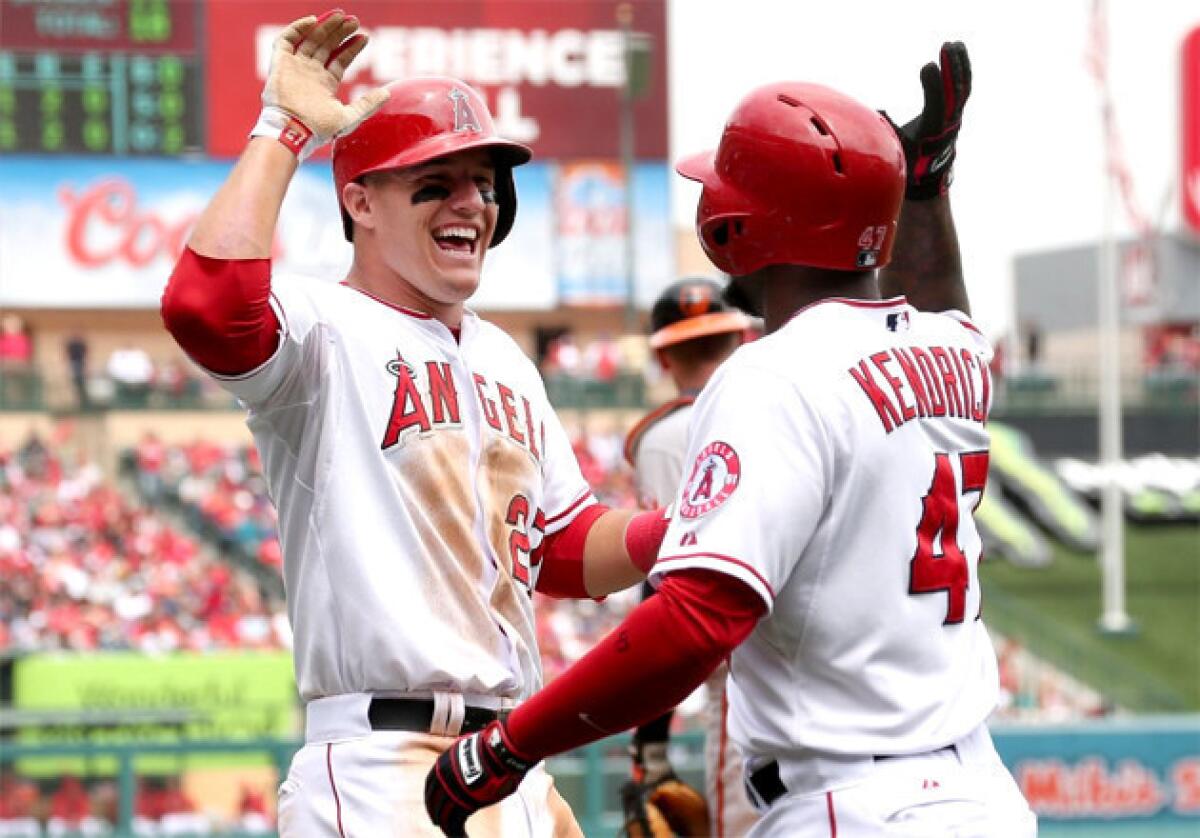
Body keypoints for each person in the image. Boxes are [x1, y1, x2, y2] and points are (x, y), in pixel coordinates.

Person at [425, 43, 1038, 837]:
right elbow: (941, 303)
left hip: (849, 803)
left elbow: (696, 621)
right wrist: (928, 188)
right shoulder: (952, 350)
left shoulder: (771, 376)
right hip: (982, 796)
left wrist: (509, 746)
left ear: (738, 225)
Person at [160, 10, 667, 836]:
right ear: (359, 201)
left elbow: (563, 548)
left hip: (512, 758)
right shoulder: (322, 327)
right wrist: (283, 129)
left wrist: (682, 530)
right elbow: (206, 307)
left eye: (484, 182)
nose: (472, 201)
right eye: (434, 182)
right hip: (380, 761)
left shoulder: (507, 358)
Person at [619, 277, 754, 837]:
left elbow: (673, 592)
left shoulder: (663, 438)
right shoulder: (798, 406)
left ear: (662, 356)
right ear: (740, 340)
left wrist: (650, 735)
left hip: (747, 685)